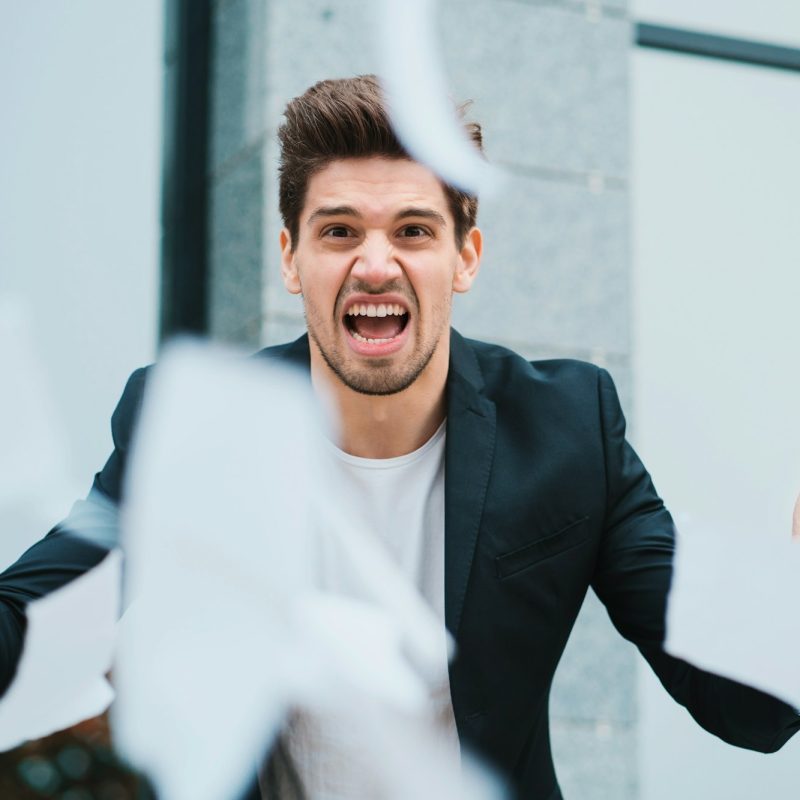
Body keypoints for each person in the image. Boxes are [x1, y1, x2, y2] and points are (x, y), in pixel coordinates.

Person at [1, 75, 798, 799]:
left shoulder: (567, 427)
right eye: (339, 232)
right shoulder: (196, 436)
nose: (375, 264)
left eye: (413, 231)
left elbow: (748, 706)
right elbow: (26, 628)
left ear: (466, 257)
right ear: (290, 258)